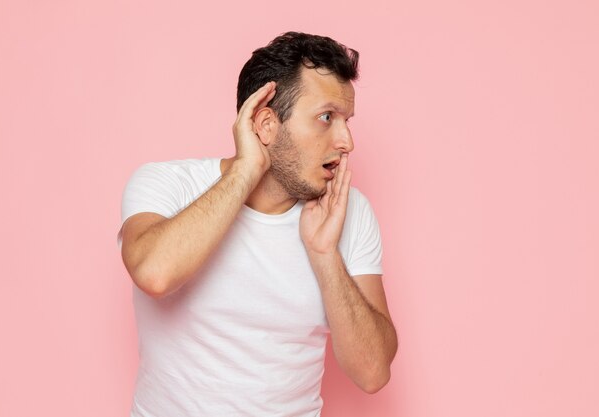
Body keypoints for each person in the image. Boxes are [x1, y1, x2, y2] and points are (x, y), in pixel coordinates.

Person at [119, 31, 397, 417]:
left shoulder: (347, 210)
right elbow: (154, 274)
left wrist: (324, 254)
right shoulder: (168, 184)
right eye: (326, 117)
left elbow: (372, 373)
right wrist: (247, 169)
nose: (346, 141)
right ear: (265, 124)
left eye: (346, 120)